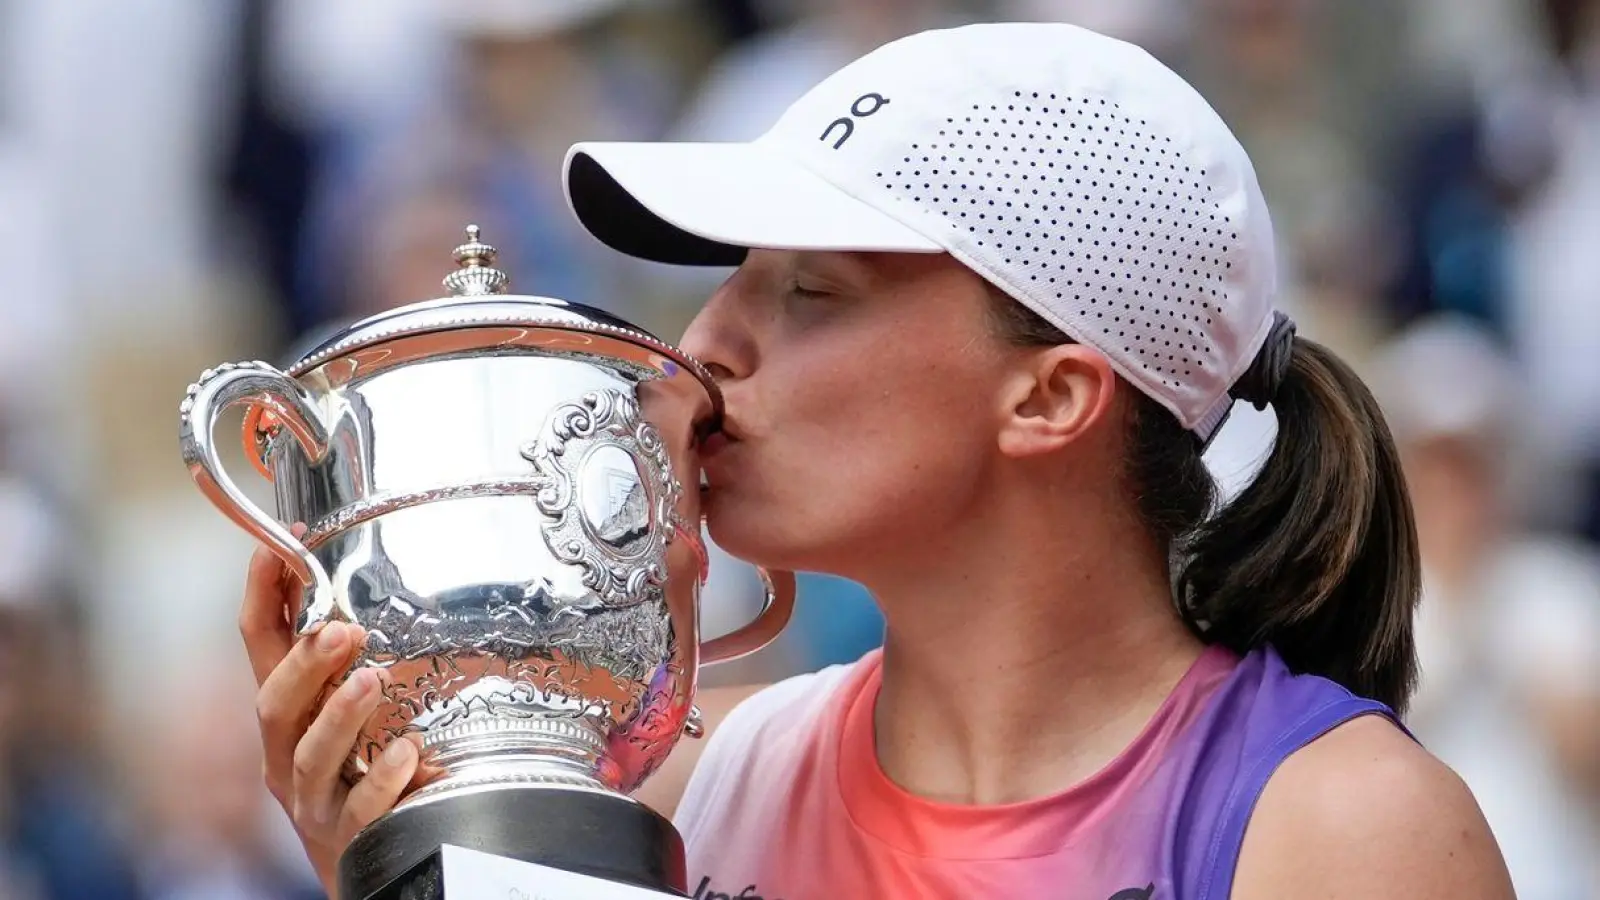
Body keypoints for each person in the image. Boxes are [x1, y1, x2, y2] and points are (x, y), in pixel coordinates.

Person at [240, 23, 1515, 899]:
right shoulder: (674, 792)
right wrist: (424, 857)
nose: (704, 344)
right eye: (733, 279)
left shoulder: (1342, 826)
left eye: (811, 292)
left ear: (1050, 394)